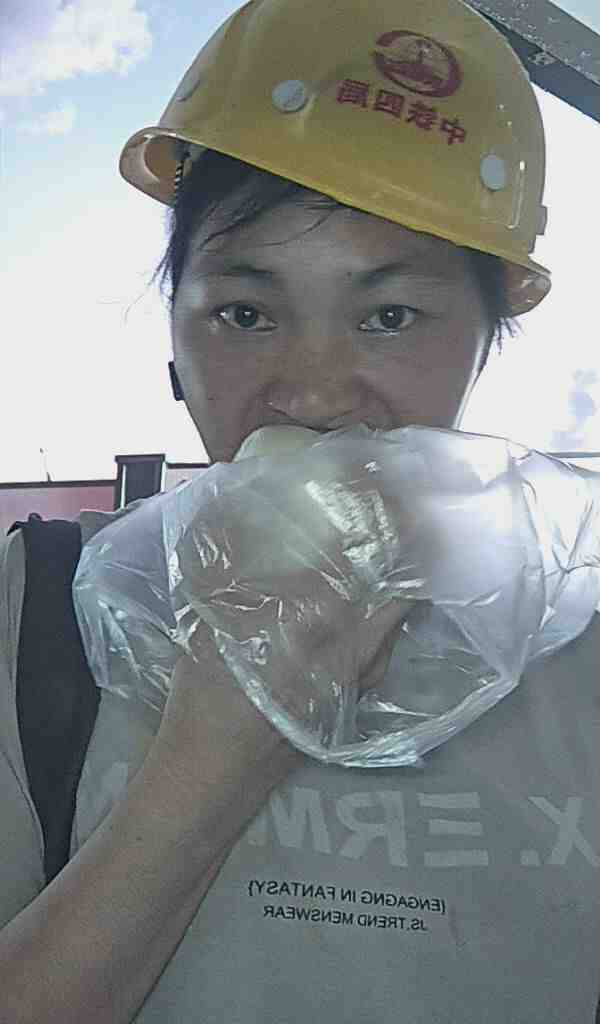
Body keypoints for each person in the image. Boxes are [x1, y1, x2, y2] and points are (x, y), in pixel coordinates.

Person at [2, 0, 600, 1021]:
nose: (316, 395)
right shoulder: (41, 608)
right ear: (176, 333)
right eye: (245, 313)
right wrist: (220, 749)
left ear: (485, 338)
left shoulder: (574, 650)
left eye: (389, 315)